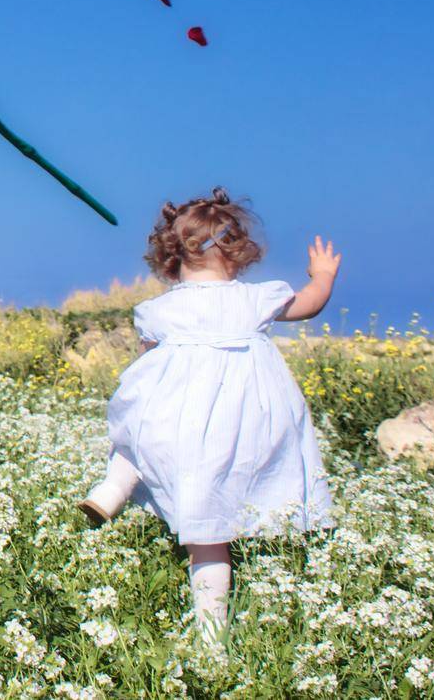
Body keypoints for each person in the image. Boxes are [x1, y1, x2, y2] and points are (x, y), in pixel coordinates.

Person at [78, 187, 339, 639]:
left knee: (143, 427)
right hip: (245, 428)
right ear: (237, 253)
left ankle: (114, 486)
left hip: (180, 422)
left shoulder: (160, 308)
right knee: (211, 526)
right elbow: (311, 303)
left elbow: (146, 364)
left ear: (172, 258)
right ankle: (213, 637)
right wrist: (322, 275)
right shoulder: (256, 299)